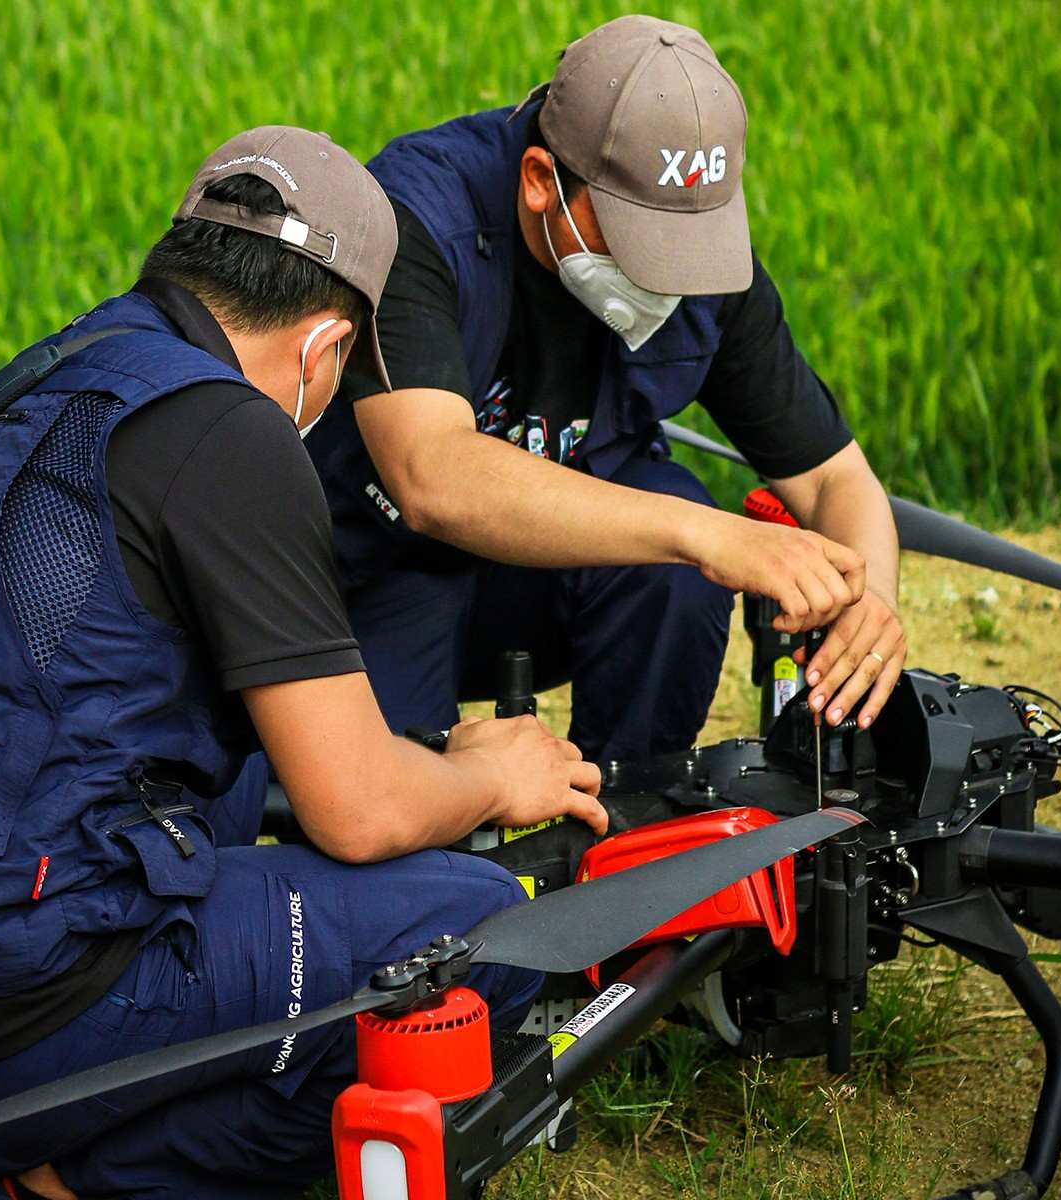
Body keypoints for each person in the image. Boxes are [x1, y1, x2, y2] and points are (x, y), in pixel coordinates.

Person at [0, 126, 605, 1200]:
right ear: (328, 346)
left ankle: (25, 1119)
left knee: (232, 759)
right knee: (484, 924)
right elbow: (359, 813)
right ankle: (53, 1182)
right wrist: (492, 774)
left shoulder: (68, 369)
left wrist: (412, 753)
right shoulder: (234, 437)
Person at [305, 15, 909, 763]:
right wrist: (709, 534)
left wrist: (870, 599)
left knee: (676, 580)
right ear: (539, 182)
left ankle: (627, 824)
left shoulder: (706, 262)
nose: (667, 276)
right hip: (382, 571)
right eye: (638, 238)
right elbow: (431, 476)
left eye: (684, 243)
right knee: (398, 811)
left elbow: (831, 476)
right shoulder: (419, 219)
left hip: (554, 576)